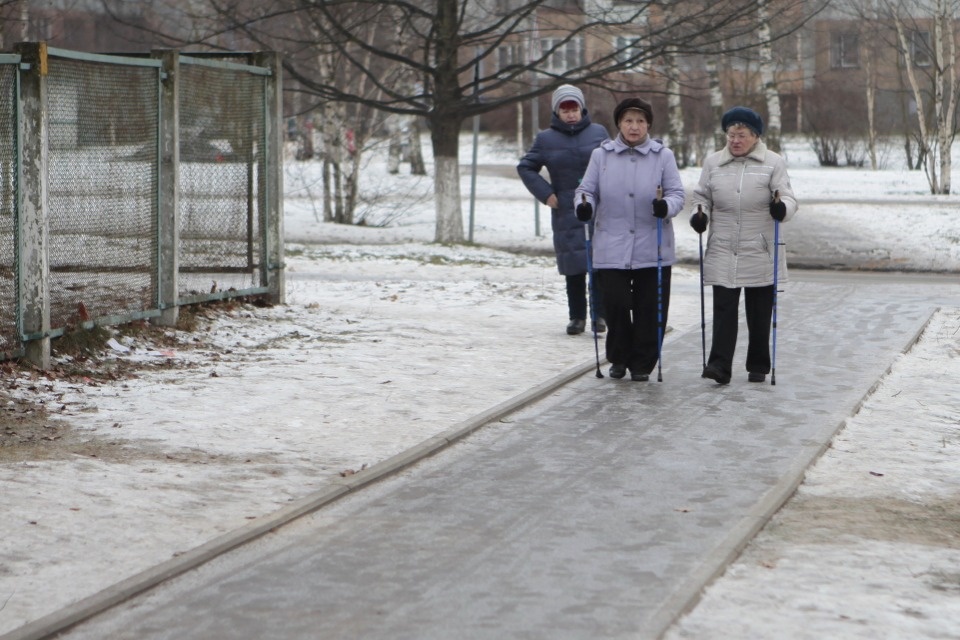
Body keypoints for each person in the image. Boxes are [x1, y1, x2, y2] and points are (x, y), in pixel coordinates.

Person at [574, 98, 685, 381]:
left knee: (650, 308)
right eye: (628, 121)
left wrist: (666, 207)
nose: (634, 127)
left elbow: (676, 194)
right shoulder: (602, 156)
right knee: (617, 305)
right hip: (611, 244)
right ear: (619, 124)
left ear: (648, 124)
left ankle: (643, 363)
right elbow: (586, 190)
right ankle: (619, 358)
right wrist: (584, 205)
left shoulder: (663, 156)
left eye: (640, 121)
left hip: (653, 245)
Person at [689, 106, 798, 385]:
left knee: (759, 314)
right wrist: (699, 215)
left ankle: (758, 365)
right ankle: (718, 366)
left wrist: (781, 208)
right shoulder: (714, 163)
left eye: (742, 135)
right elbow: (702, 196)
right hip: (723, 246)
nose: (735, 140)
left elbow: (788, 198)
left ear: (755, 136)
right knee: (724, 310)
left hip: (760, 248)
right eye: (731, 135)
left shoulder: (773, 163)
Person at [518, 84, 609, 335]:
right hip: (566, 208)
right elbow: (526, 167)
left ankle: (599, 315)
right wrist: (547, 194)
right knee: (574, 264)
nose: (570, 113)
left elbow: (615, 161)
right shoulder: (545, 139)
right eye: (564, 109)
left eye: (574, 108)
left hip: (597, 206)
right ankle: (577, 317)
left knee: (599, 263)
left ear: (582, 108)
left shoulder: (599, 133)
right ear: (557, 112)